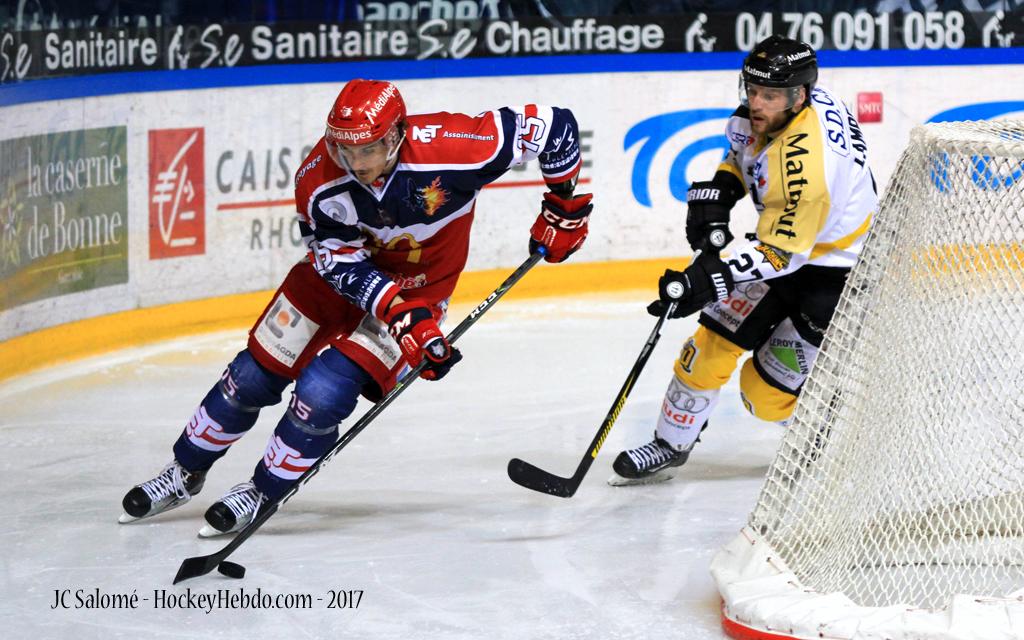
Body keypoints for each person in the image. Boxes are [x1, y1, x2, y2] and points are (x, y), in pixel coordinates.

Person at [120, 79, 593, 534]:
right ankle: (184, 471)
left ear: (397, 135)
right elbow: (338, 263)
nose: (356, 162)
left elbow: (555, 125)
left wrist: (563, 205)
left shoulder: (454, 147)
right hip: (339, 282)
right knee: (250, 375)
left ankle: (262, 491)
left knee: (324, 391)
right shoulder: (317, 180)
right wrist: (399, 315)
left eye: (368, 149)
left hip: (419, 289)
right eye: (345, 150)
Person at [611, 35, 877, 483]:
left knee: (762, 396)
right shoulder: (783, 108)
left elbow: (782, 253)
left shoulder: (811, 169)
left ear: (800, 96)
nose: (756, 102)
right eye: (752, 89)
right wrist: (721, 189)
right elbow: (744, 155)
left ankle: (817, 419)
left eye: (769, 95)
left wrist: (711, 277)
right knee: (708, 347)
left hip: (835, 279)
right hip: (790, 248)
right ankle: (670, 444)